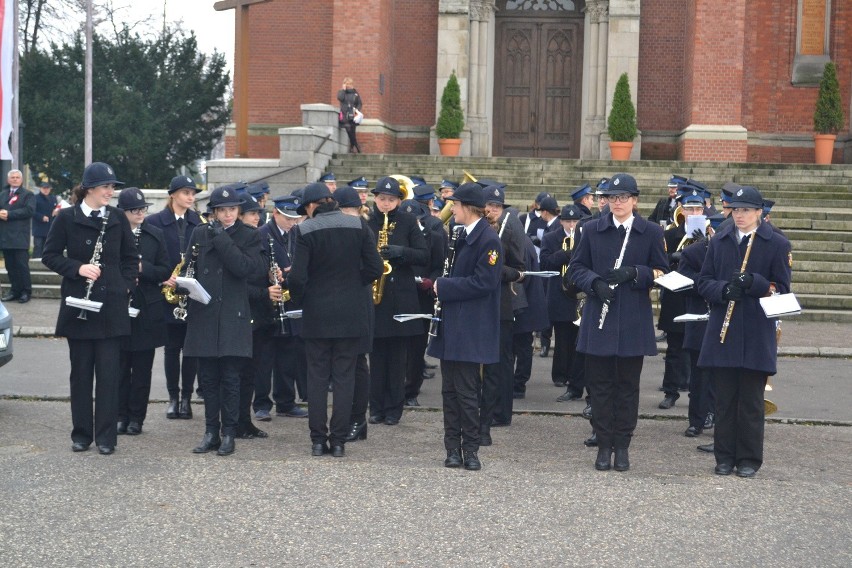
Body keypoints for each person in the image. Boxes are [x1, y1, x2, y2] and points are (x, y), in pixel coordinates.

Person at [569, 173, 668, 472]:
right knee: (599, 388)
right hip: (599, 320)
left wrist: (636, 273)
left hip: (632, 321)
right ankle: (603, 445)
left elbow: (662, 271)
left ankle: (622, 446)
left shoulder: (649, 231)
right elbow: (575, 268)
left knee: (627, 387)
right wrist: (594, 283)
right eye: (612, 198)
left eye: (623, 197)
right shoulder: (591, 229)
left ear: (635, 200)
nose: (617, 203)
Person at [41, 162, 138, 455]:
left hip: (111, 307)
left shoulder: (118, 217)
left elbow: (130, 258)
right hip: (80, 306)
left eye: (112, 187)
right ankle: (82, 434)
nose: (111, 192)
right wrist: (78, 267)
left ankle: (107, 437)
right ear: (90, 189)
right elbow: (50, 255)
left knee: (109, 376)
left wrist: (125, 286)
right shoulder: (67, 218)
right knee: (81, 375)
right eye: (106, 187)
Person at [697, 185, 791, 478]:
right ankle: (723, 456)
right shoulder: (720, 241)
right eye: (736, 210)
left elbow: (783, 290)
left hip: (755, 332)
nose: (739, 215)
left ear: (759, 213)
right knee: (724, 400)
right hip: (723, 332)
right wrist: (724, 290)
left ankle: (749, 458)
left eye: (746, 210)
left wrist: (756, 283)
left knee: (750, 402)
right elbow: (703, 282)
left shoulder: (776, 243)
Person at [288, 182, 384, 457]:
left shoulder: (305, 230)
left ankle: (318, 440)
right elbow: (375, 267)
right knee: (345, 377)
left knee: (317, 378)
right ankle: (339, 441)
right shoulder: (357, 226)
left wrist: (301, 297)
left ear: (312, 205)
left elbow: (297, 277)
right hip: (351, 314)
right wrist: (355, 286)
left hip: (317, 314)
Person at [426, 182, 503, 471]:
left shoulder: (488, 240)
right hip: (452, 324)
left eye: (454, 205)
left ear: (468, 207)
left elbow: (486, 282)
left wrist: (443, 286)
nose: (451, 209)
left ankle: (470, 450)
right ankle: (452, 449)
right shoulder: (459, 235)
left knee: (468, 391)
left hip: (472, 327)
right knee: (450, 391)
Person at [184, 185, 264, 457]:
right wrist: (184, 283)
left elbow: (244, 268)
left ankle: (229, 433)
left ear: (239, 211)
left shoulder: (250, 235)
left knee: (230, 378)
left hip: (233, 314)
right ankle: (210, 432)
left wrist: (221, 238)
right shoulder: (199, 232)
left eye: (232, 209)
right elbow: (189, 265)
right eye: (222, 210)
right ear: (214, 211)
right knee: (208, 378)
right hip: (204, 312)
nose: (228, 214)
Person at [366, 177, 429, 426]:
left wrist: (400, 252)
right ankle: (375, 408)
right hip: (375, 298)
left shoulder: (408, 222)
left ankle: (394, 409)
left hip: (401, 299)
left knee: (397, 359)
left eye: (391, 200)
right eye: (381, 199)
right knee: (377, 357)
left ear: (399, 201)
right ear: (375, 199)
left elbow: (423, 255)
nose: (385, 204)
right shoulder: (368, 222)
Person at [146, 175, 203, 419]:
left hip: (191, 293)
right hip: (167, 293)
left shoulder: (199, 222)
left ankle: (187, 399)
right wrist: (163, 278)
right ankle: (173, 397)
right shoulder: (155, 221)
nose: (190, 197)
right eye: (186, 193)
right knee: (171, 348)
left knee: (190, 350)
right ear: (173, 194)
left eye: (193, 193)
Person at [116, 188, 171, 436]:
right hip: (119, 307)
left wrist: (142, 267)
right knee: (118, 367)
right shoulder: (113, 234)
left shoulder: (155, 234)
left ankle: (137, 417)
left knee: (141, 369)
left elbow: (165, 270)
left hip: (147, 308)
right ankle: (119, 415)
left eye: (142, 209)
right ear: (123, 212)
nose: (140, 213)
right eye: (134, 210)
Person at [254, 195, 309, 421]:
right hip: (268, 302)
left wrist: (291, 273)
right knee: (264, 358)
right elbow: (253, 267)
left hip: (291, 301)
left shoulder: (299, 234)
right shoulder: (261, 235)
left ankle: (286, 402)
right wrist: (269, 274)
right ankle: (261, 404)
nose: (292, 222)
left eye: (295, 218)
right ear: (275, 213)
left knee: (289, 355)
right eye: (288, 218)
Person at [480, 184, 526, 439]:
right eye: (488, 205)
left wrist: (495, 271)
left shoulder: (509, 231)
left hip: (502, 306)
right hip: (478, 305)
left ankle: (501, 412)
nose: (492, 210)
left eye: (496, 206)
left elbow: (520, 270)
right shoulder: (473, 231)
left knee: (502, 361)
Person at [333, 185, 378, 442]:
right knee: (349, 363)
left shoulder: (361, 229)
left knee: (358, 363)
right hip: (349, 300)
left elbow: (373, 267)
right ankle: (352, 418)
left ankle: (358, 418)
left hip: (358, 302)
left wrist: (352, 281)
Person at [540, 204, 585, 397]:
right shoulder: (551, 238)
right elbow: (545, 262)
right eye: (568, 221)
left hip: (578, 296)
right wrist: (565, 253)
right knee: (561, 338)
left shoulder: (584, 237)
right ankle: (559, 375)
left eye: (575, 221)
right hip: (559, 294)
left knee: (577, 340)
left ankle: (576, 377)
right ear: (561, 222)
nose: (572, 225)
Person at [0, 169, 36, 303]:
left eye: (17, 177)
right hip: (5, 237)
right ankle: (14, 291)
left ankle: (26, 291)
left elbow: (29, 210)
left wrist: (9, 214)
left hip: (20, 237)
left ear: (21, 180)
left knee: (22, 266)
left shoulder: (28, 195)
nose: (15, 179)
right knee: (10, 266)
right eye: (12, 177)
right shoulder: (3, 194)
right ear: (8, 180)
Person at [32, 182, 59, 258]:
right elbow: (32, 211)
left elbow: (56, 209)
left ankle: (46, 262)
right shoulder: (35, 198)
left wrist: (56, 212)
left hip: (50, 226)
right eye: (44, 188)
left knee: (47, 246)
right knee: (38, 246)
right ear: (40, 188)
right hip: (38, 227)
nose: (46, 190)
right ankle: (36, 262)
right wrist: (41, 217)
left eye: (47, 188)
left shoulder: (53, 198)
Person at [337, 77, 363, 153]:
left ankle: (352, 147)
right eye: (346, 83)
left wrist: (357, 110)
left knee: (353, 131)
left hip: (353, 114)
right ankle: (356, 145)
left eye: (349, 84)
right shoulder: (342, 92)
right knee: (348, 129)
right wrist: (343, 90)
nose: (348, 85)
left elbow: (359, 103)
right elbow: (340, 98)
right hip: (345, 114)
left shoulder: (355, 93)